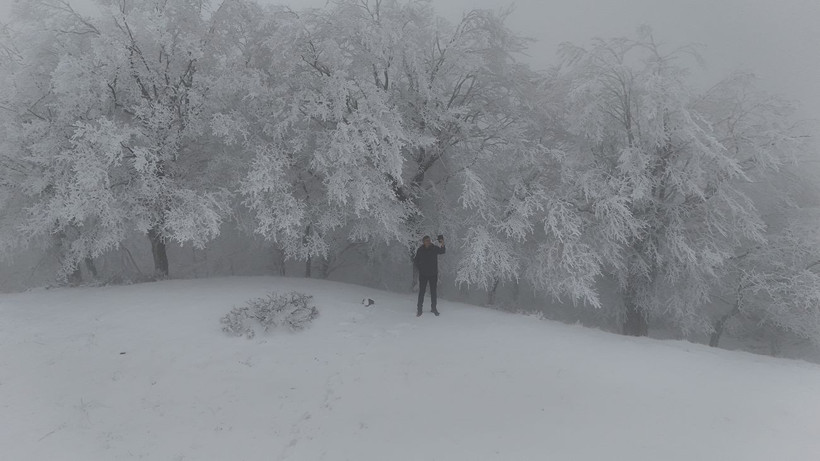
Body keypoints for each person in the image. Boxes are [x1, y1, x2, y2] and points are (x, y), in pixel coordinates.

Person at [414, 235, 445, 316]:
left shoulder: (434, 248)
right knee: (422, 292)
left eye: (429, 240)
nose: (428, 242)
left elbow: (442, 251)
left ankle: (434, 308)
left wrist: (442, 242)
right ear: (423, 242)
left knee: (433, 292)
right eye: (427, 240)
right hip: (423, 275)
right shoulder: (420, 250)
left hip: (433, 274)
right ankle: (419, 309)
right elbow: (416, 261)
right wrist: (421, 269)